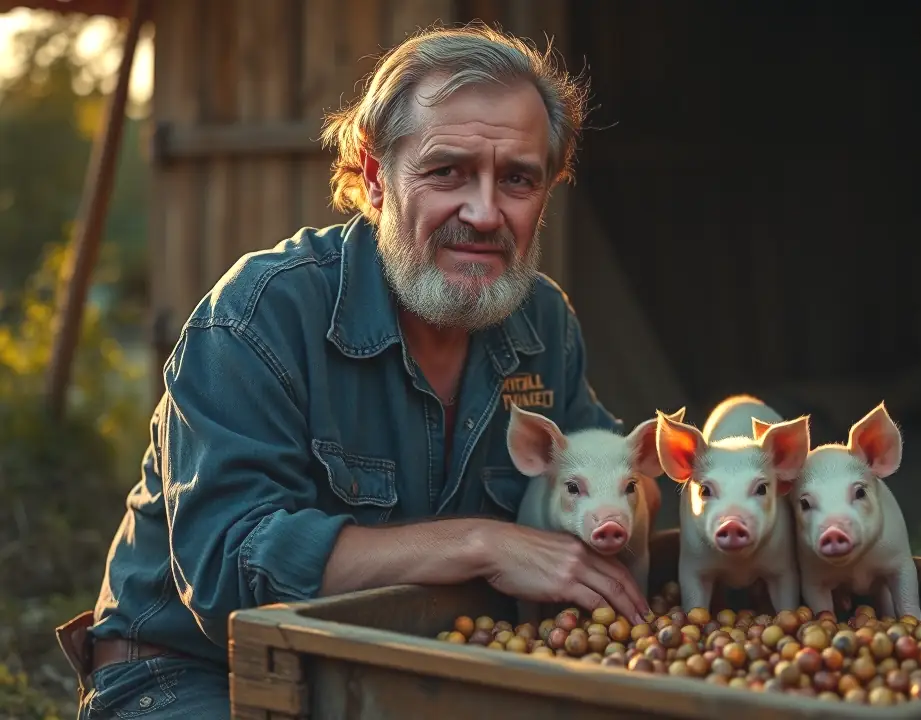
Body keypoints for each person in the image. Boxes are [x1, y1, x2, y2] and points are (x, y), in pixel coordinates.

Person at [56, 22, 651, 719]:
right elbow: (229, 574)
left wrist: (725, 493)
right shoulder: (259, 315)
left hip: (412, 662)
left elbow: (617, 479)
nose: (485, 212)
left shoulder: (542, 321)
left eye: (517, 178)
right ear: (374, 176)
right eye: (446, 171)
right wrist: (481, 543)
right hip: (196, 674)